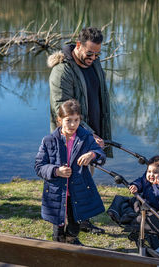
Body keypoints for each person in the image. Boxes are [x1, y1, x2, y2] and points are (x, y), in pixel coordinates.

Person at [47, 26, 112, 234]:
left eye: (97, 54)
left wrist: (99, 133)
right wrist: (88, 133)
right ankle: (66, 226)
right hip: (71, 136)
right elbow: (62, 109)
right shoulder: (62, 71)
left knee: (86, 178)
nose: (93, 57)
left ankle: (82, 220)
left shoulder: (94, 63)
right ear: (78, 46)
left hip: (91, 133)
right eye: (89, 53)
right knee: (70, 180)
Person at [34, 99, 106, 245]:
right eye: (68, 120)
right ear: (59, 120)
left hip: (78, 189)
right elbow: (39, 166)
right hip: (57, 191)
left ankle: (71, 239)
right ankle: (60, 244)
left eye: (76, 120)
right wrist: (56, 171)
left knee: (75, 222)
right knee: (58, 225)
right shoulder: (49, 140)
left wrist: (92, 154)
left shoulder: (85, 138)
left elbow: (101, 155)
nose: (73, 125)